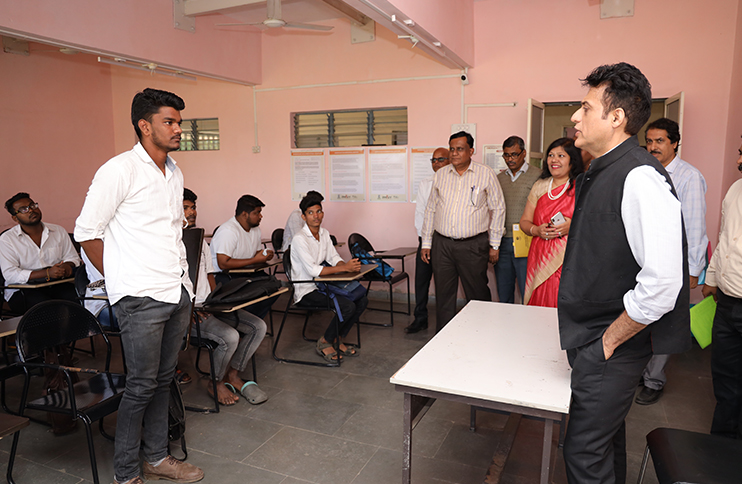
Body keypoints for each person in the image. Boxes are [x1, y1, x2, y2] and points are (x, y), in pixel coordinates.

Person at [558, 63, 690, 484]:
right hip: (595, 337)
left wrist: (607, 343)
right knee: (603, 443)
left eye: (585, 107)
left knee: (583, 453)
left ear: (616, 117)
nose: (575, 117)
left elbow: (663, 283)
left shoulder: (640, 177)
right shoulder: (604, 169)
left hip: (612, 343)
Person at [74, 88, 204, 484]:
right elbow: (87, 232)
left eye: (179, 122)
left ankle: (157, 458)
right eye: (169, 121)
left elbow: (171, 232)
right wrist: (121, 280)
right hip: (140, 297)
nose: (178, 128)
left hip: (176, 291)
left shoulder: (174, 172)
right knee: (141, 386)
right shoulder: (119, 170)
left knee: (163, 381)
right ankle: (127, 472)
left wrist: (186, 288)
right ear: (144, 126)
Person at [637, 117, 708, 405]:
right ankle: (640, 371)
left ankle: (653, 380)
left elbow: (695, 226)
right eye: (649, 141)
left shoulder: (689, 177)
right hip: (643, 260)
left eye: (660, 141)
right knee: (643, 316)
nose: (653, 147)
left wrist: (693, 269)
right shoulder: (644, 173)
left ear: (675, 143)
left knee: (666, 321)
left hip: (674, 263)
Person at [184, 188, 268, 406]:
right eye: (185, 208)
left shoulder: (199, 240)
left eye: (193, 207)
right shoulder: (167, 243)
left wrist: (216, 301)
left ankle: (232, 375)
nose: (192, 212)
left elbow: (210, 274)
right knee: (230, 336)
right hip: (187, 311)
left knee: (258, 326)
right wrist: (188, 309)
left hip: (207, 305)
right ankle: (215, 382)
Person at [420, 131, 506, 332]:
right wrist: (427, 243)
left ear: (471, 151)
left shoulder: (485, 173)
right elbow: (430, 209)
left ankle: (481, 333)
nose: (454, 153)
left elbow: (498, 208)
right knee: (444, 294)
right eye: (452, 149)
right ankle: (444, 336)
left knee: (477, 292)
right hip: (442, 244)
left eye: (460, 149)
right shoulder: (441, 175)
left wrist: (494, 245)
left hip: (473, 245)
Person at [290, 193, 368, 362]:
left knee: (362, 299)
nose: (316, 216)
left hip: (324, 285)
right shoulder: (299, 239)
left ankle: (337, 338)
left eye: (319, 211)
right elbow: (312, 270)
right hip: (307, 289)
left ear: (323, 213)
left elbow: (333, 257)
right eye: (310, 213)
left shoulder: (324, 233)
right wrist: (344, 268)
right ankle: (325, 341)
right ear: (303, 216)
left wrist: (347, 267)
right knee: (347, 306)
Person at [702, 137, 742, 439]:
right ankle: (722, 442)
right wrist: (712, 278)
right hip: (727, 302)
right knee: (725, 377)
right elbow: (724, 238)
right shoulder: (735, 189)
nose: (739, 160)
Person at [519, 138, 583, 307]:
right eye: (551, 155)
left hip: (569, 257)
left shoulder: (581, 186)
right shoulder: (540, 186)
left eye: (561, 155)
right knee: (538, 301)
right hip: (540, 255)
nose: (554, 160)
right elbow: (524, 222)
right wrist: (536, 230)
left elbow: (594, 224)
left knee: (561, 302)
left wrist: (572, 226)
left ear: (572, 160)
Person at [0, 192, 80, 313]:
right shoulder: (7, 239)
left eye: (32, 205)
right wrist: (47, 273)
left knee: (77, 303)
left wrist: (67, 266)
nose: (31, 210)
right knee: (46, 310)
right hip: (23, 290)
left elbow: (73, 257)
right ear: (15, 218)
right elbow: (10, 275)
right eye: (24, 209)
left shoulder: (58, 231)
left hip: (56, 284)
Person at [405, 148, 450, 334]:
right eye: (433, 160)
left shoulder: (454, 182)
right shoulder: (426, 183)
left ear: (450, 160)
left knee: (444, 282)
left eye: (441, 159)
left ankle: (445, 322)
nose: (436, 163)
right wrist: (424, 240)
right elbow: (421, 213)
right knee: (421, 280)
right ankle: (420, 318)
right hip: (425, 239)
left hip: (444, 240)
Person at [210, 194, 276, 319]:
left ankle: (251, 319)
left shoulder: (255, 229)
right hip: (224, 276)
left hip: (245, 272)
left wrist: (264, 255)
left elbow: (256, 253)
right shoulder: (228, 231)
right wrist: (255, 259)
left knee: (274, 286)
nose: (261, 216)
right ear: (245, 214)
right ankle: (243, 321)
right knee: (252, 291)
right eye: (257, 213)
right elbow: (222, 263)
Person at [494, 136, 541, 304]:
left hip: (527, 241)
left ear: (524, 153)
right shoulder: (499, 178)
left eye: (514, 154)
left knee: (526, 290)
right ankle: (506, 320)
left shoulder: (538, 175)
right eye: (506, 155)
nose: (510, 159)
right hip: (503, 242)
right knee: (504, 290)